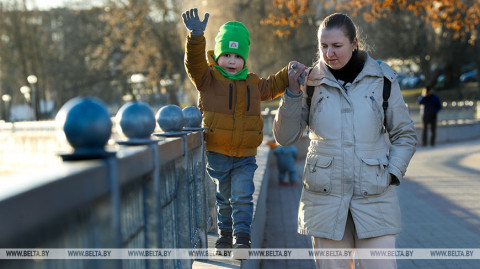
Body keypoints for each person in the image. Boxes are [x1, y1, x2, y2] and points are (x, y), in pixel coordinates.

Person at [273, 13, 417, 268]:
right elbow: (284, 138)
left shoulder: (383, 80)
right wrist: (292, 94)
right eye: (323, 46)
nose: (329, 53)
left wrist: (392, 173)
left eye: (336, 46)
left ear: (354, 43)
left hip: (374, 198)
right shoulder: (309, 83)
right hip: (325, 201)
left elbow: (404, 134)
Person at [181, 8, 305, 250]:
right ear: (217, 56)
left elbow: (272, 86)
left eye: (237, 57)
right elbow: (194, 65)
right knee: (224, 198)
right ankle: (225, 234)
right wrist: (196, 37)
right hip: (218, 153)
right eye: (226, 54)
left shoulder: (253, 83)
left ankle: (242, 238)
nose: (231, 61)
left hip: (246, 156)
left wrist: (288, 74)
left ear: (244, 59)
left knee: (242, 196)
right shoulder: (208, 79)